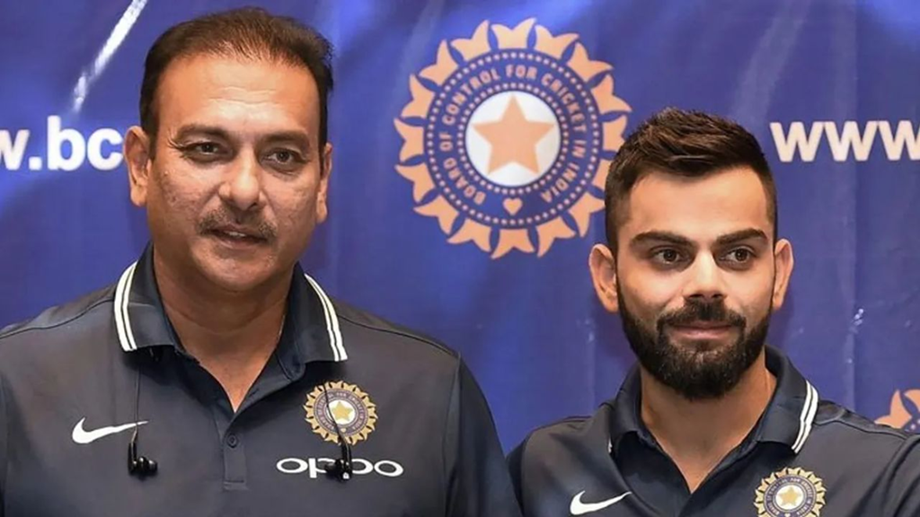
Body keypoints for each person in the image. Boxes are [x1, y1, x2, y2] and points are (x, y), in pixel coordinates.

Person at [0, 8, 519, 517]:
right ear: (141, 166)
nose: (245, 190)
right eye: (207, 148)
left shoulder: (429, 392)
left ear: (322, 181)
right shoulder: (17, 382)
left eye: (282, 156)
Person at [508, 108, 920, 516]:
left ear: (779, 275)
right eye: (668, 255)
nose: (706, 284)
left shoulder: (890, 482)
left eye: (738, 254)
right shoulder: (541, 475)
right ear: (608, 277)